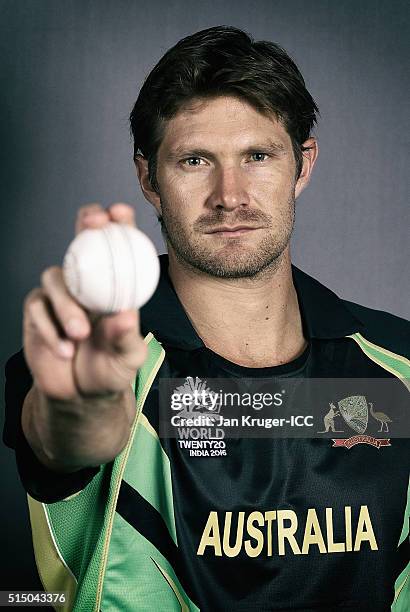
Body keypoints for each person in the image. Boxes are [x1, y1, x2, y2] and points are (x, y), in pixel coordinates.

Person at [3, 25, 409, 612]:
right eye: (195, 160)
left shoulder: (398, 365)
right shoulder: (89, 362)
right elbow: (70, 437)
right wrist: (80, 406)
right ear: (149, 178)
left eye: (258, 156)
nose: (230, 194)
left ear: (303, 163)